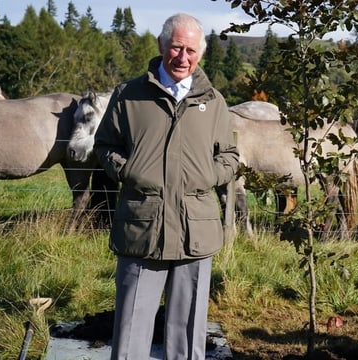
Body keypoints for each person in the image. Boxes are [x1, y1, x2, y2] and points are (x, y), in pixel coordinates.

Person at [93, 13, 239, 360]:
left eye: (191, 50)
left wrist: (208, 176)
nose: (182, 57)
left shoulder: (214, 102)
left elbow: (230, 156)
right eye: (176, 47)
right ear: (162, 46)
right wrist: (128, 171)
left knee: (188, 336)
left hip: (196, 231)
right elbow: (104, 145)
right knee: (130, 333)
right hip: (142, 228)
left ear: (200, 55)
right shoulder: (128, 95)